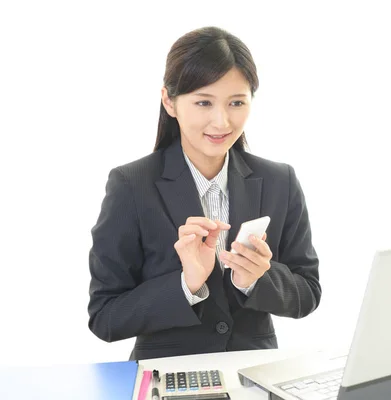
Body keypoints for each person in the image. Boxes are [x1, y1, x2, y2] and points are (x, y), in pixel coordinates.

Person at [87, 26, 321, 361]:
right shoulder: (131, 185)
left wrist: (255, 279)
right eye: (203, 102)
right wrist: (187, 284)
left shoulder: (279, 181)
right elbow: (105, 315)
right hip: (169, 374)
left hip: (254, 371)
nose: (222, 121)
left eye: (236, 102)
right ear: (170, 101)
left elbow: (308, 293)